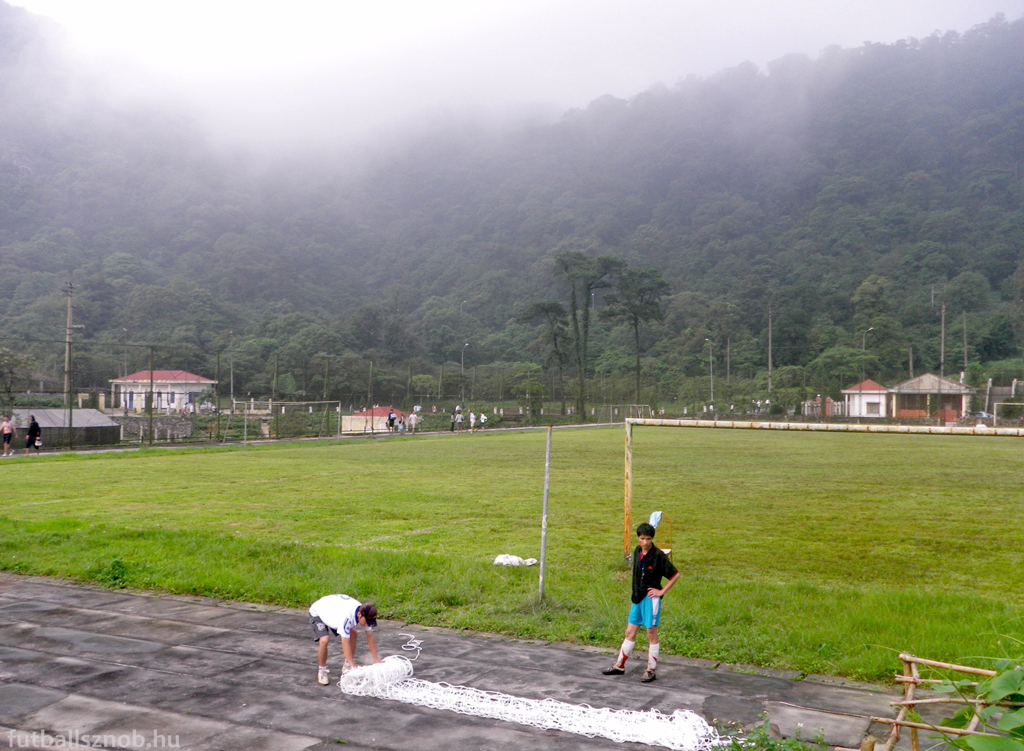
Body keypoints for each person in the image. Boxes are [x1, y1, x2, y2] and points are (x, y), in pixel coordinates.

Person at [602, 523, 680, 683]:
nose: (645, 542)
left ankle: (651, 670)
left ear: (652, 539)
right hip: (637, 598)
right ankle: (619, 665)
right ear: (638, 538)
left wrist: (661, 591)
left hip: (650, 599)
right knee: (629, 633)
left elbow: (675, 575)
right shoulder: (637, 551)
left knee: (651, 634)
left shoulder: (658, 555)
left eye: (648, 539)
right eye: (642, 538)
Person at [309, 594, 381, 686]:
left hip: (334, 612)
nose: (368, 624)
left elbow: (370, 636)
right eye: (367, 621)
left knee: (353, 634)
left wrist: (376, 659)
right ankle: (322, 670)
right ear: (359, 615)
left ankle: (347, 666)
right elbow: (344, 643)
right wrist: (353, 666)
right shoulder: (346, 618)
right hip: (319, 611)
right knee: (324, 640)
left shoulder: (365, 613)